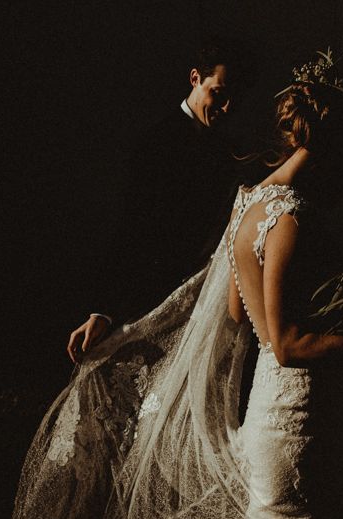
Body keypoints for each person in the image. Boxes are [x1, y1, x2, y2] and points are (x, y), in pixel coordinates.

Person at [12, 49, 343, 519]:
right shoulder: (290, 215)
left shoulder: (251, 201)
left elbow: (229, 314)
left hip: (271, 410)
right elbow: (284, 341)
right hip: (294, 417)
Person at [67, 41, 251, 364]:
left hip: (205, 303)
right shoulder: (155, 144)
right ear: (195, 78)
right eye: (218, 94)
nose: (225, 108)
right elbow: (131, 230)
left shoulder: (228, 151)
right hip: (152, 298)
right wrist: (104, 311)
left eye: (232, 99)